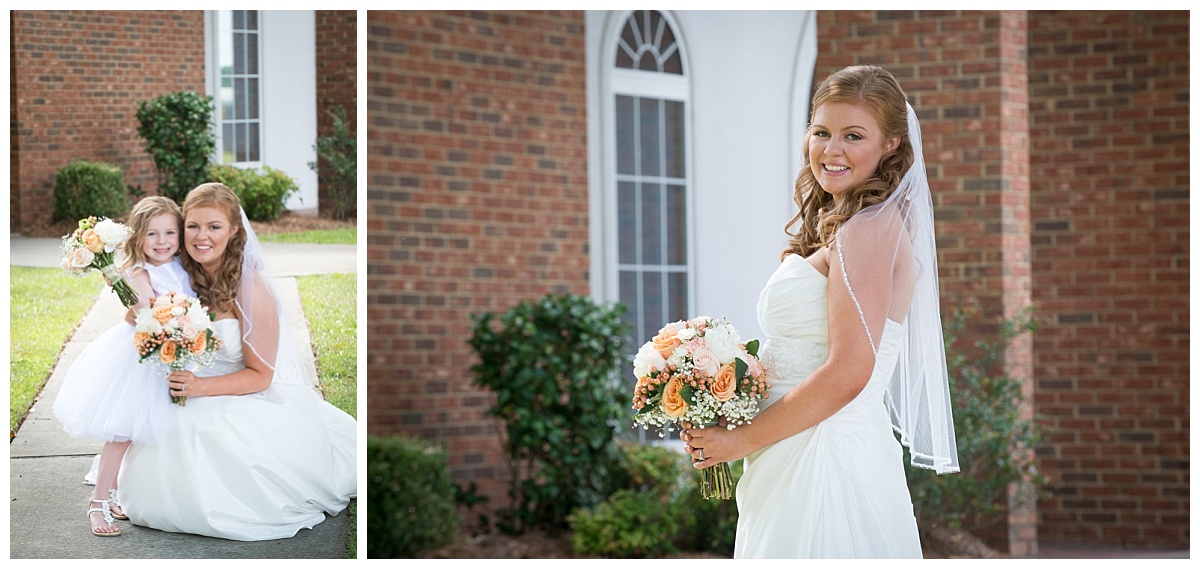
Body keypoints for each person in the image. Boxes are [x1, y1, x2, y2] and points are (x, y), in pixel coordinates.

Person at [682, 65, 959, 558]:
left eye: (854, 135)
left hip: (824, 455)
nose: (832, 150)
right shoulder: (853, 223)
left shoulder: (868, 228)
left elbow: (850, 370)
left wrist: (739, 440)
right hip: (797, 447)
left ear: (892, 144)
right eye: (821, 132)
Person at [116, 182, 357, 541]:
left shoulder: (251, 285)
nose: (201, 237)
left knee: (193, 430)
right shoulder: (183, 274)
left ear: (233, 231)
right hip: (191, 385)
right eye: (193, 226)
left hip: (244, 392)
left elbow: (261, 376)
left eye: (214, 227)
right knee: (159, 423)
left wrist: (199, 387)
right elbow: (141, 295)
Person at [53, 196, 195, 537]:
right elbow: (147, 303)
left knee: (150, 429)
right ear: (138, 238)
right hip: (141, 358)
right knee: (124, 430)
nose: (162, 242)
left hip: (176, 350)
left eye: (169, 233)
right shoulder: (138, 272)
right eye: (152, 234)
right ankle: (98, 501)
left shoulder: (184, 267)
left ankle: (118, 492)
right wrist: (132, 298)